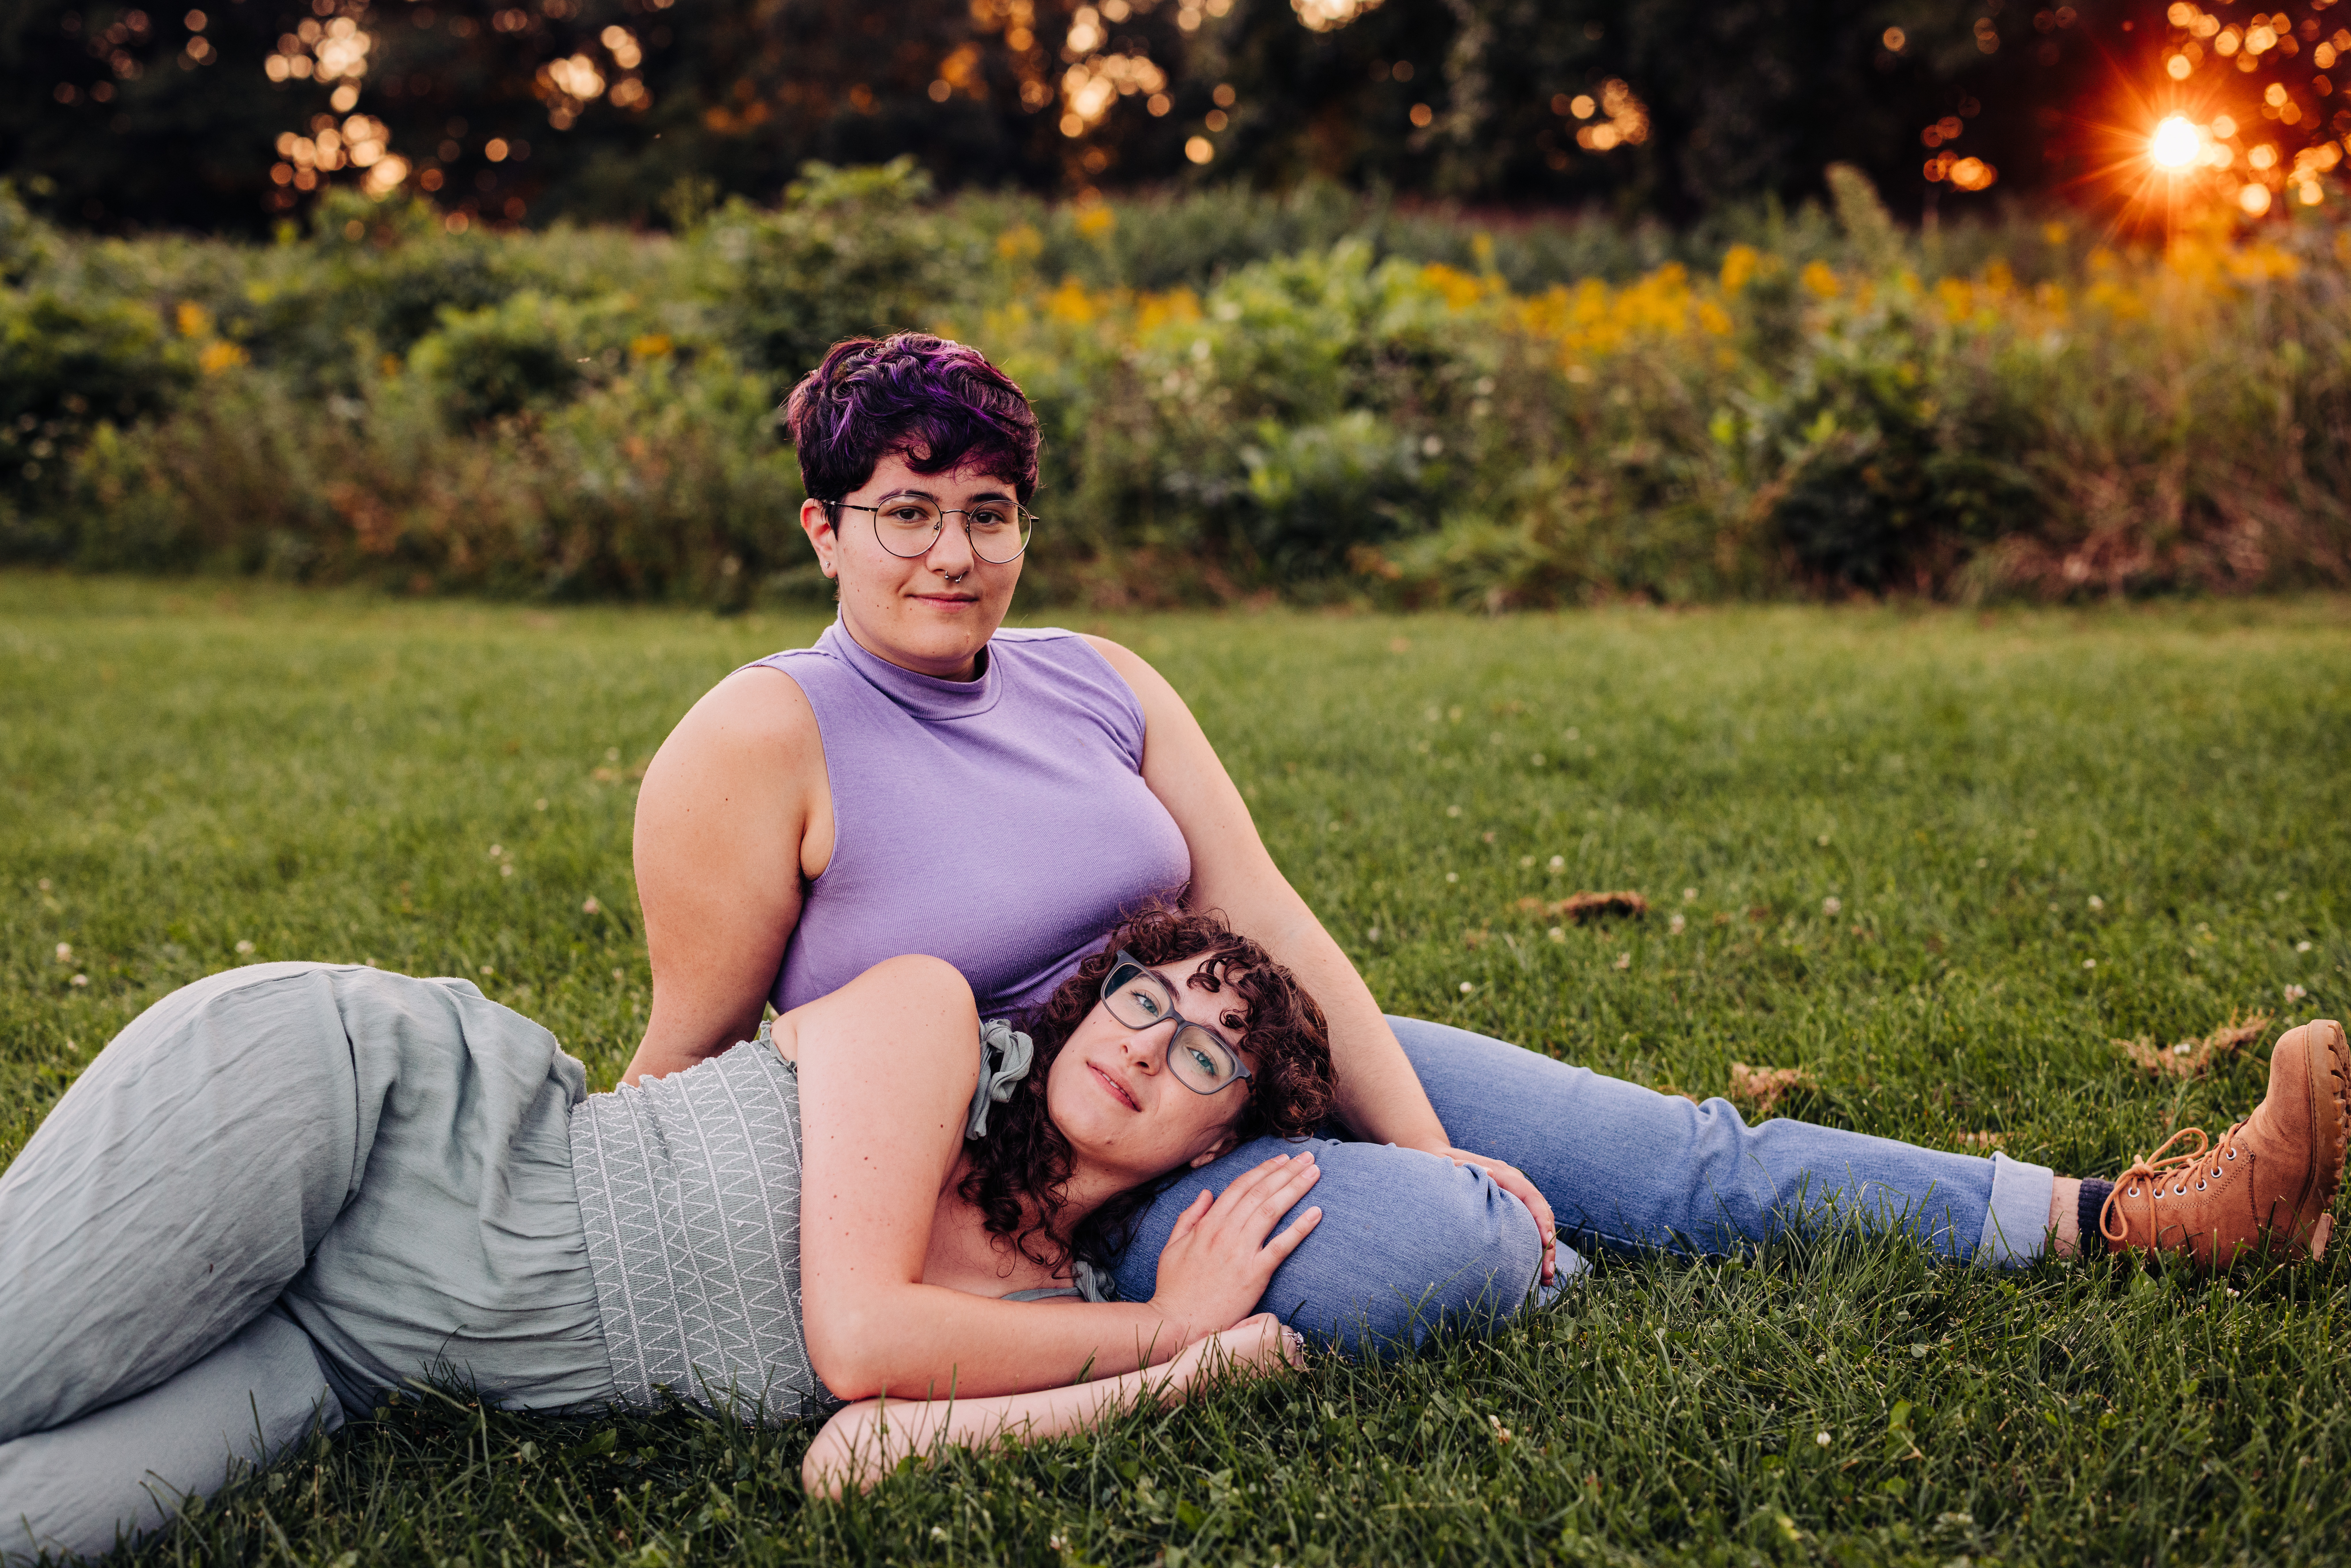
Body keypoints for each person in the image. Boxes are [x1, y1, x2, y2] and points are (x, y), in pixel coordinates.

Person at [623, 331, 2349, 1344]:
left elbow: (1265, 915)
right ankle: (1516, 1256)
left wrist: (1433, 1133)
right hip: (1054, 1196)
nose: (951, 554)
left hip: (1232, 1052)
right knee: (1442, 1252)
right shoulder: (761, 739)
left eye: (986, 513)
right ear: (822, 531)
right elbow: (689, 1058)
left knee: (1681, 1152)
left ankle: (2132, 1220)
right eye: (903, 514)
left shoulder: (1098, 680)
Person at [0, 909, 1349, 1558]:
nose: (1152, 1044)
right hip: (356, 1113)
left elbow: (858, 1456)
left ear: (1217, 1142)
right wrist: (1165, 1326)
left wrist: (1181, 1369)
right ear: (1091, 1003)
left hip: (343, 1358)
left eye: (1209, 1052)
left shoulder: (1055, 1324)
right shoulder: (926, 1023)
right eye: (1145, 998)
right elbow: (859, 1337)